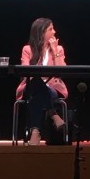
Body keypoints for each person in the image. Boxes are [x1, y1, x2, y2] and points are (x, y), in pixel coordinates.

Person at [15, 17, 68, 145]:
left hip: (53, 89)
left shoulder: (59, 49)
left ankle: (35, 131)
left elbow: (62, 71)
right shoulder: (27, 49)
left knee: (36, 95)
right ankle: (53, 114)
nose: (54, 32)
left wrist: (55, 50)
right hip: (31, 86)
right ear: (42, 32)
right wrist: (37, 79)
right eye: (51, 29)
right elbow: (25, 72)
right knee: (36, 84)